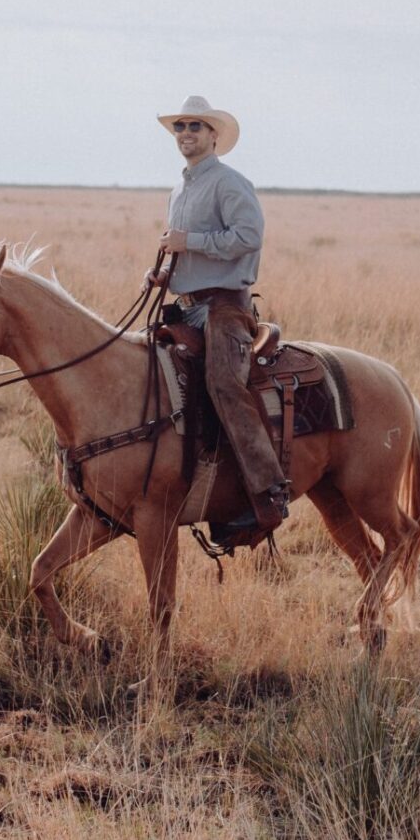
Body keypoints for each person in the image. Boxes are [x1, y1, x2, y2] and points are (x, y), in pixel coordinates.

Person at [148, 95, 290, 545]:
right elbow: (187, 251)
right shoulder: (179, 190)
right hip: (187, 304)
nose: (186, 133)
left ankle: (267, 494)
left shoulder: (229, 183)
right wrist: (165, 274)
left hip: (225, 307)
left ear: (213, 136)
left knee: (224, 384)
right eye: (180, 126)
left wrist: (189, 241)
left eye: (195, 126)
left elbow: (248, 237)